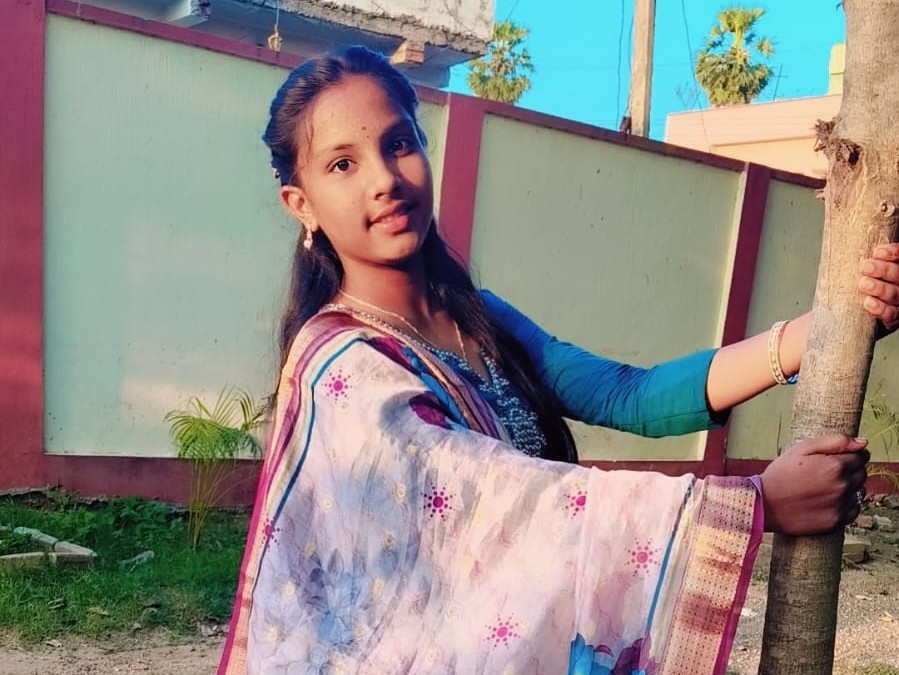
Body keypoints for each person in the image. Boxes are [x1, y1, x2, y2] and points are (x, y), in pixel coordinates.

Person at [219, 46, 899, 674]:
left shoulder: (478, 318)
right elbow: (502, 508)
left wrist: (831, 330)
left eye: (399, 143)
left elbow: (629, 395)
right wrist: (755, 505)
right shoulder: (339, 366)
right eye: (342, 164)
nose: (384, 180)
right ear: (301, 204)